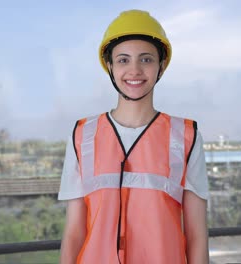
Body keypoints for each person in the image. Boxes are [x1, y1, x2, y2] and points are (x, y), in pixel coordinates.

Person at [58, 9, 209, 264]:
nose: (135, 70)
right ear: (110, 66)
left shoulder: (186, 136)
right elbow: (74, 232)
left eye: (146, 59)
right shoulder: (82, 135)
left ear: (161, 65)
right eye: (123, 60)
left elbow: (196, 235)